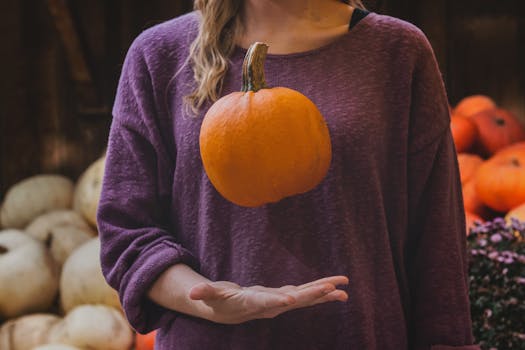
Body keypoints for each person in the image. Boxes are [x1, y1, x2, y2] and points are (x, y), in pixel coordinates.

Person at [97, 0, 480, 349]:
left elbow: (437, 238)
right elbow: (126, 231)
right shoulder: (158, 55)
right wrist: (209, 299)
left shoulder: (397, 51)